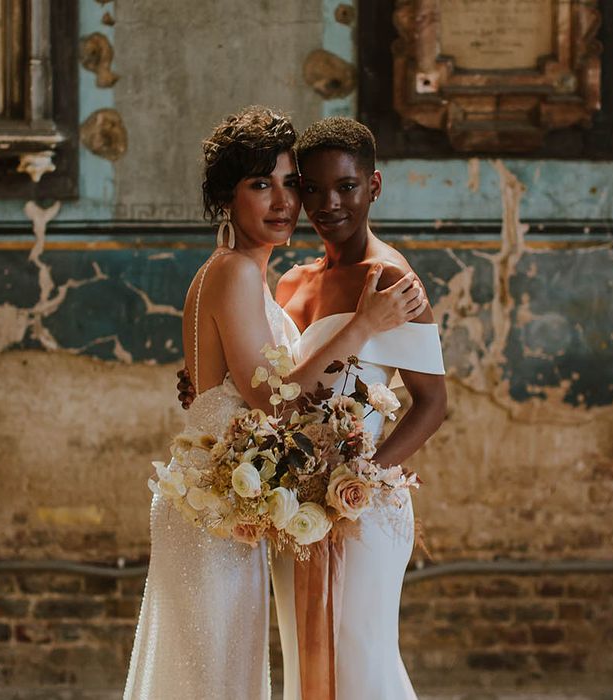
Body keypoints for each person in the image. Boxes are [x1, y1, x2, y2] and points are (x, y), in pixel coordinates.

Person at [124, 106, 427, 700]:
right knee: (213, 681)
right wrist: (363, 326)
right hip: (209, 518)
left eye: (292, 183)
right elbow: (270, 403)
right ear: (225, 197)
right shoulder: (235, 272)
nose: (284, 201)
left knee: (224, 677)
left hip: (219, 509)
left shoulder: (249, 276)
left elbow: (232, 387)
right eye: (260, 183)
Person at [270, 117, 448, 700]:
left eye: (346, 187)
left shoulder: (391, 279)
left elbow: (432, 403)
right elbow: (282, 394)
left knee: (360, 656)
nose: (328, 203)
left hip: (361, 506)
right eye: (312, 188)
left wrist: (363, 479)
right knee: (306, 658)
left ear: (374, 186)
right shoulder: (290, 282)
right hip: (293, 502)